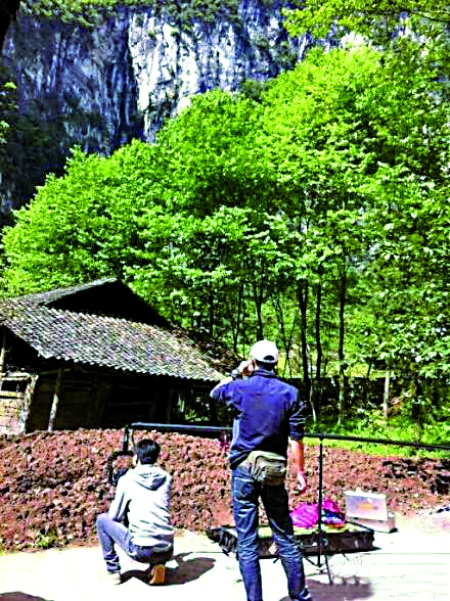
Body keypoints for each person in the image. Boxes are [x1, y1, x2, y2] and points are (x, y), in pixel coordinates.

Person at [210, 340, 312, 601]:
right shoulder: (290, 393)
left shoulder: (240, 388)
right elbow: (296, 438)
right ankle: (300, 597)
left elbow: (215, 393)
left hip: (244, 469)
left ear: (252, 362)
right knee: (285, 537)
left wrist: (237, 372)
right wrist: (300, 472)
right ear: (275, 363)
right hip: (274, 472)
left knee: (247, 542)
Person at [96, 438, 174, 585]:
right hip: (167, 548)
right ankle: (158, 565)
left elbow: (115, 516)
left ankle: (113, 572)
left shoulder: (127, 479)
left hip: (142, 551)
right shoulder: (166, 478)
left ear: (136, 457)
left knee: (102, 520)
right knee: (153, 521)